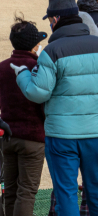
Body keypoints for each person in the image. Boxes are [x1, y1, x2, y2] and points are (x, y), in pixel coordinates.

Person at [12, 0, 98, 216]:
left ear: (55, 20)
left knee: (65, 194)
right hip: (95, 133)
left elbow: (37, 93)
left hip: (61, 137)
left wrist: (22, 74)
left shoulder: (52, 51)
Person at [0, 14, 48, 216]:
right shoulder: (38, 68)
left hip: (8, 137)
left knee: (9, 191)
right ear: (35, 45)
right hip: (34, 138)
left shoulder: (2, 67)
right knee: (26, 192)